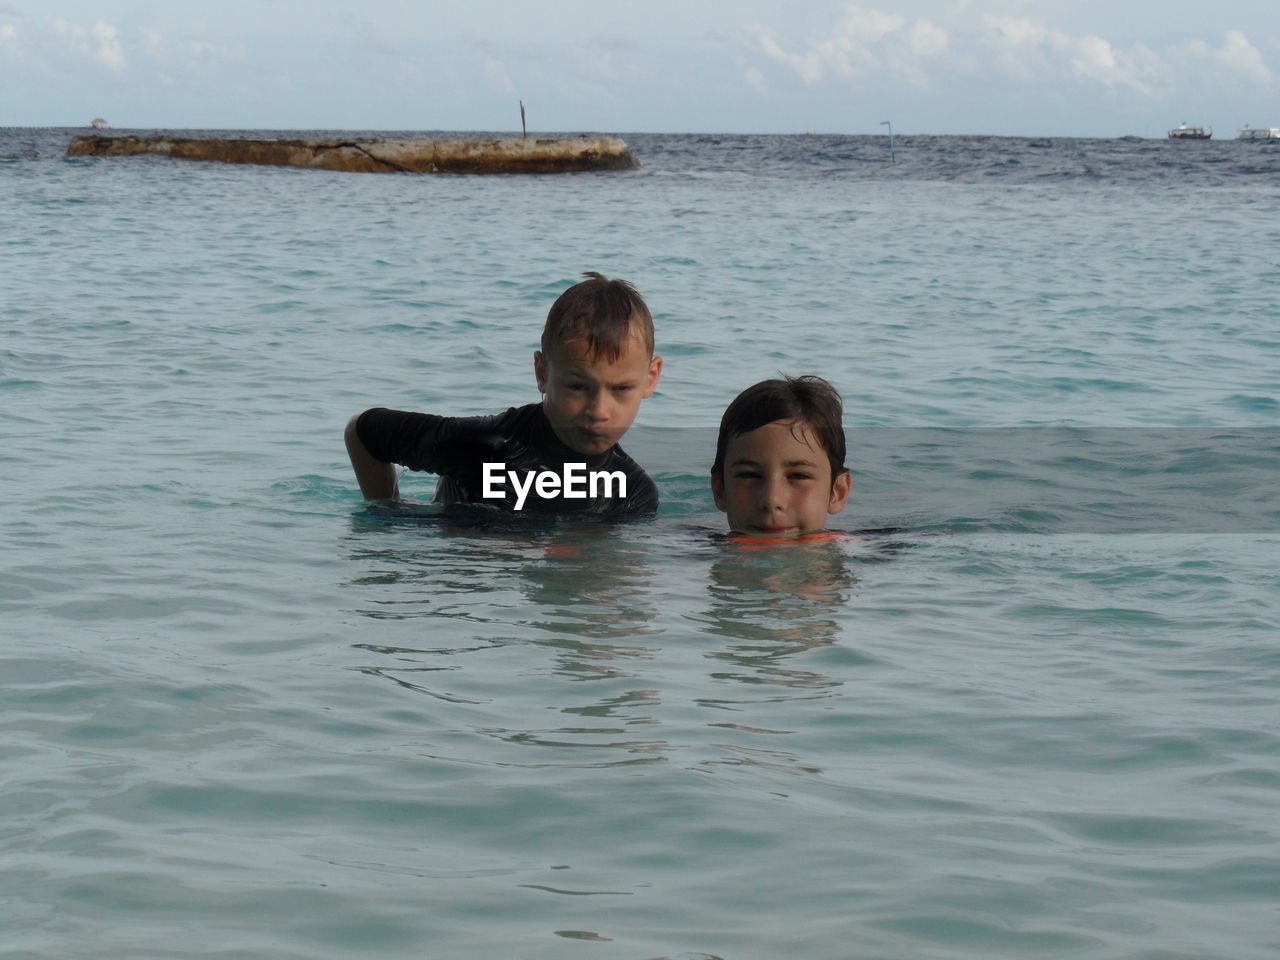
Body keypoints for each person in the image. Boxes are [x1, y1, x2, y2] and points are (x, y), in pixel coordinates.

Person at [346, 272, 663, 516]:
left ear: (650, 379)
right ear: (543, 373)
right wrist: (387, 512)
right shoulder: (489, 447)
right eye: (578, 387)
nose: (599, 410)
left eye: (621, 389)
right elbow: (364, 432)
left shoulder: (633, 493)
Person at [710, 375, 852, 537]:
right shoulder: (687, 552)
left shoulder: (875, 553)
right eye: (749, 475)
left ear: (837, 492)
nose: (771, 500)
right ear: (720, 490)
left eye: (799, 476)